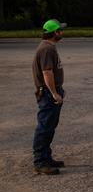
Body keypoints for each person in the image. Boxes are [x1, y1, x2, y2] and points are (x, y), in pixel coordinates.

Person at [32, 19, 66, 175]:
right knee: (44, 127)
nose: (62, 32)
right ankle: (40, 162)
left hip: (50, 92)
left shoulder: (49, 47)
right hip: (48, 93)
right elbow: (47, 72)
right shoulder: (47, 49)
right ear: (54, 33)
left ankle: (46, 157)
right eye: (60, 30)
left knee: (50, 126)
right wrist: (54, 93)